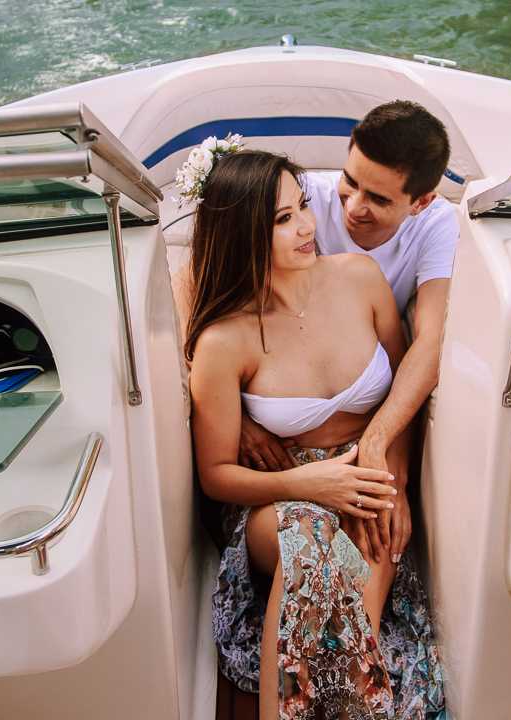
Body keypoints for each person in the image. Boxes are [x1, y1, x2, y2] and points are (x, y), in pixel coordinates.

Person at [185, 148, 443, 719]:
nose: (308, 225)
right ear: (243, 232)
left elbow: (403, 398)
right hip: (274, 492)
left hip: (369, 474)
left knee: (351, 579)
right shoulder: (223, 339)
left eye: (303, 206)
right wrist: (310, 483)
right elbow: (215, 476)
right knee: (309, 537)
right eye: (284, 218)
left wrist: (392, 482)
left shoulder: (360, 277)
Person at [174, 100, 458, 567]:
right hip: (284, 465)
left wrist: (391, 473)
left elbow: (429, 343)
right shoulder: (301, 192)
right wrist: (230, 410)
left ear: (420, 202)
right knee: (313, 545)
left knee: (368, 544)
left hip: (366, 438)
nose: (353, 207)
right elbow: (196, 282)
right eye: (350, 182)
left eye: (379, 199)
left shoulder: (428, 230)